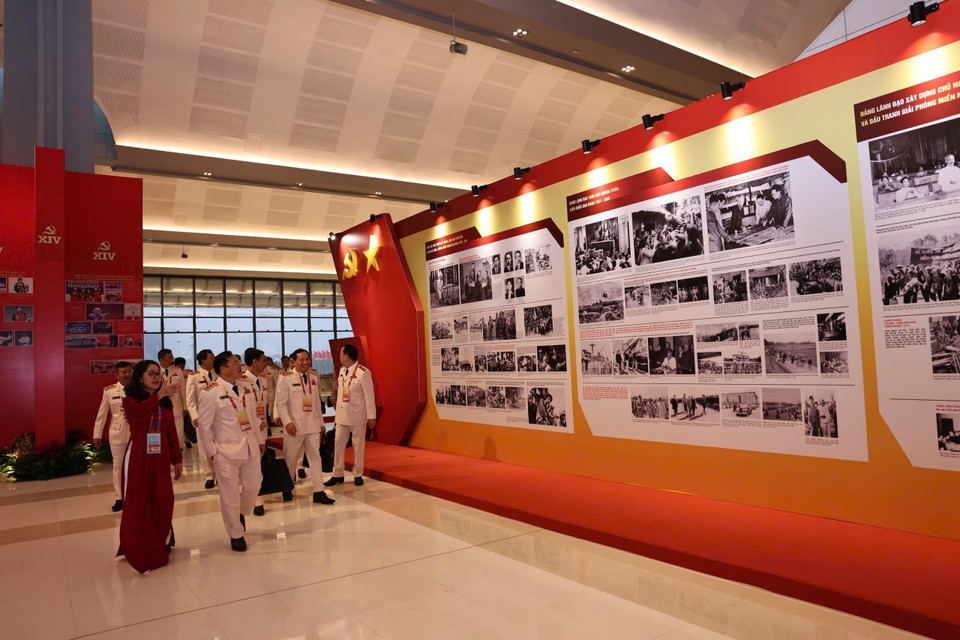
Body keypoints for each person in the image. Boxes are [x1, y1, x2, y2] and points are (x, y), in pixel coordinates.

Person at [118, 360, 183, 574]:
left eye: (158, 373)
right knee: (139, 504)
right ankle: (138, 546)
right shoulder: (130, 400)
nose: (156, 377)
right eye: (151, 374)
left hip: (160, 457)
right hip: (138, 458)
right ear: (140, 378)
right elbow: (137, 414)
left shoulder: (165, 402)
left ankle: (162, 539)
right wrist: (160, 395)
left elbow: (170, 431)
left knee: (163, 500)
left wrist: (177, 458)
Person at [197, 351, 265, 552]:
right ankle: (236, 533)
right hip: (225, 451)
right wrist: (213, 452)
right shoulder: (210, 392)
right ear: (223, 368)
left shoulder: (246, 386)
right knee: (230, 496)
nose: (239, 365)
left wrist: (260, 441)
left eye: (239, 362)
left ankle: (240, 513)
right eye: (235, 363)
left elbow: (252, 418)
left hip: (250, 446)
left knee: (254, 485)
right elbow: (204, 426)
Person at [275, 349, 335, 504]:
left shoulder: (314, 375)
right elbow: (280, 403)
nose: (306, 362)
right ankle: (287, 488)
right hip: (294, 425)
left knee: (316, 457)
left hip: (313, 424)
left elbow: (316, 402)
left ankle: (319, 491)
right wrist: (287, 422)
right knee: (291, 458)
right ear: (293, 362)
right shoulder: (285, 377)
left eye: (307, 359)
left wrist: (321, 424)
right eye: (301, 360)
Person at [326, 344, 377, 487]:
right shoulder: (342, 370)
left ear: (347, 356)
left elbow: (369, 396)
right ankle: (337, 474)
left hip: (357, 416)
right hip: (342, 416)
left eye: (341, 354)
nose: (339, 357)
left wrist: (371, 416)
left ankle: (357, 474)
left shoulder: (363, 372)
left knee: (358, 446)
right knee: (338, 445)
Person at [92, 361, 134, 512]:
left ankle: (134, 495)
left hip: (136, 434)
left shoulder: (139, 389)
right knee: (118, 467)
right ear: (117, 374)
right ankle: (119, 497)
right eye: (124, 372)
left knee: (136, 466)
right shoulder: (109, 391)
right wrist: (97, 434)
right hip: (117, 434)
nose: (128, 374)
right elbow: (102, 414)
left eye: (130, 371)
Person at [242, 348, 272, 516]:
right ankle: (256, 501)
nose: (265, 363)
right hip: (250, 428)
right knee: (251, 466)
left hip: (262, 428)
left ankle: (257, 497)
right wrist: (257, 421)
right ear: (254, 361)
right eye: (263, 360)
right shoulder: (241, 381)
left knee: (258, 464)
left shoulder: (263, 378)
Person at [186, 349, 218, 488]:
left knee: (220, 446)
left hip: (219, 417)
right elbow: (190, 400)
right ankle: (209, 475)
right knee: (204, 448)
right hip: (203, 419)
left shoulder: (219, 374)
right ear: (203, 360)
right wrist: (195, 417)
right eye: (211, 358)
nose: (214, 359)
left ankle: (221, 473)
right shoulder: (194, 377)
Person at [158, 349, 186, 451]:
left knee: (178, 434)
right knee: (163, 436)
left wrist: (185, 407)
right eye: (169, 357)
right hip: (161, 408)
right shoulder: (155, 371)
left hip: (176, 407)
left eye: (172, 357)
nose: (172, 359)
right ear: (161, 359)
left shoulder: (177, 371)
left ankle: (178, 453)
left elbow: (183, 390)